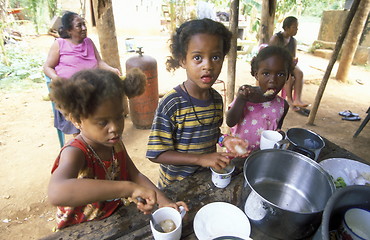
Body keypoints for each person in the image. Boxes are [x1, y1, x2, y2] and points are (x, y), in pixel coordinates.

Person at [47, 69, 188, 230]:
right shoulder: (76, 153)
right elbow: (56, 192)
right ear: (77, 120)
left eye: (119, 117)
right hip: (82, 228)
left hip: (113, 217)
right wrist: (127, 188)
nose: (115, 128)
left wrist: (164, 201)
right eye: (102, 122)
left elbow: (134, 174)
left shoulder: (114, 143)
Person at [146, 18, 248, 189]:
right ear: (183, 60)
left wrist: (224, 139)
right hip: (175, 187)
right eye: (198, 57)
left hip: (204, 180)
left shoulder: (216, 99)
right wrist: (200, 159)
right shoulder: (172, 104)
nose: (207, 65)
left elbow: (210, 132)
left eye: (215, 57)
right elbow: (156, 154)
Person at [43, 11, 120, 140]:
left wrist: (111, 69)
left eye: (84, 24)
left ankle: (99, 134)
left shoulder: (88, 42)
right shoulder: (59, 44)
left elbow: (99, 62)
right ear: (69, 30)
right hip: (71, 93)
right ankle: (83, 140)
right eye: (79, 26)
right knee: (79, 112)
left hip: (92, 90)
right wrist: (58, 79)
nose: (84, 28)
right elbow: (47, 67)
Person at [226, 46, 293, 152]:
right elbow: (230, 121)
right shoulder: (246, 96)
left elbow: (276, 129)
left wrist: (280, 134)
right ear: (256, 74)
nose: (273, 80)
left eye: (280, 74)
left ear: (287, 77)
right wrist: (240, 99)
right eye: (266, 73)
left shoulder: (283, 105)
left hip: (262, 157)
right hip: (236, 154)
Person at [269, 16, 309, 110]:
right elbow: (270, 54)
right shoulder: (276, 38)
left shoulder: (293, 41)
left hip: (288, 64)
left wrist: (294, 61)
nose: (296, 30)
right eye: (294, 27)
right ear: (286, 28)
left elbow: (292, 56)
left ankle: (297, 99)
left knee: (299, 73)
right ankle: (289, 100)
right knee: (289, 77)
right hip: (276, 64)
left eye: (297, 28)